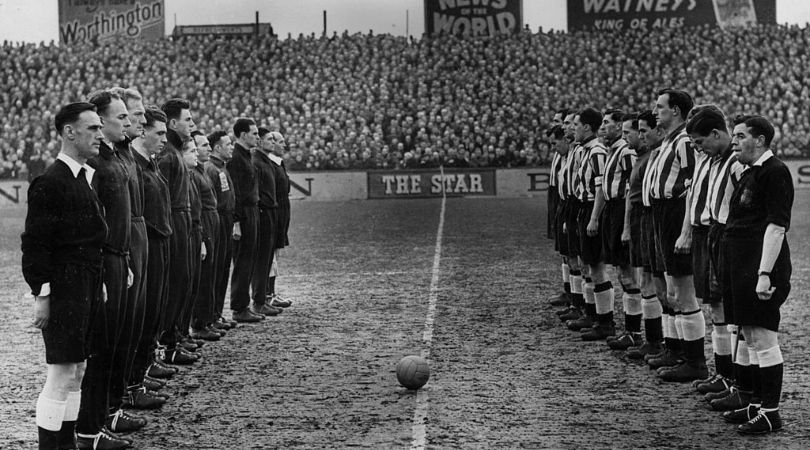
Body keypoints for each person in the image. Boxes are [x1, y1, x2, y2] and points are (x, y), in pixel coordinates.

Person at [22, 102, 108, 449]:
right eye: (92, 129)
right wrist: (42, 295)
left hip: (86, 283)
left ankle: (67, 443)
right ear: (69, 132)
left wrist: (97, 282)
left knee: (79, 370)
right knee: (61, 373)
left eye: (101, 128)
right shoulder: (50, 181)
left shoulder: (87, 177)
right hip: (63, 287)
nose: (100, 135)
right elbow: (35, 245)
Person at [721, 115, 793, 435]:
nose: (733, 141)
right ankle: (754, 404)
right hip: (742, 264)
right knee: (749, 335)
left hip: (761, 266)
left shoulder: (775, 172)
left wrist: (764, 274)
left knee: (763, 336)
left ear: (760, 140)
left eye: (740, 136)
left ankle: (770, 413)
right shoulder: (750, 172)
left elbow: (776, 227)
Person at [78, 90, 135, 449]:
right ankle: (88, 429)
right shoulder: (96, 164)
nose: (127, 123)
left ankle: (104, 416)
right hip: (103, 261)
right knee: (99, 348)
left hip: (119, 257)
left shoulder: (114, 157)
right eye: (120, 117)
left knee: (114, 343)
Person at [647, 88, 708, 382]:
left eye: (660, 107)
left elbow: (691, 187)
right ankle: (680, 353)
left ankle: (695, 362)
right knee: (673, 291)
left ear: (676, 112)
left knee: (684, 292)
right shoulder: (669, 140)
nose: (655, 111)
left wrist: (685, 230)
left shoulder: (684, 141)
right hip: (661, 215)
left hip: (675, 215)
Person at [129, 106, 175, 404]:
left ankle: (142, 370)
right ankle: (133, 384)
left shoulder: (149, 163)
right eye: (159, 133)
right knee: (141, 315)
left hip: (157, 240)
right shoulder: (135, 163)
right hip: (146, 242)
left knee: (153, 309)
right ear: (143, 131)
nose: (163, 139)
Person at [157, 98, 199, 364]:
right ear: (173, 123)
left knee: (182, 281)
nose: (192, 124)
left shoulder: (174, 150)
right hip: (174, 222)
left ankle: (174, 340)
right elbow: (164, 198)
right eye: (188, 119)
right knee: (174, 285)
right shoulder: (168, 154)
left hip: (181, 220)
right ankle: (167, 346)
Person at [624, 111, 667, 360]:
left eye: (642, 130)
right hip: (642, 219)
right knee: (646, 281)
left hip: (650, 217)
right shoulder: (643, 157)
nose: (640, 135)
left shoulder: (655, 155)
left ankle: (657, 341)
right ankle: (654, 340)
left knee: (655, 283)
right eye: (638, 131)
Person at [569, 108, 614, 341]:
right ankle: (595, 316)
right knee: (588, 265)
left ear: (587, 127)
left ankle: (605, 322)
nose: (573, 129)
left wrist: (594, 217)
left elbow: (600, 188)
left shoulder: (597, 152)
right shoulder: (586, 150)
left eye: (576, 125)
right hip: (583, 208)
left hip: (591, 209)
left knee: (596, 267)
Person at [599, 109, 640, 349]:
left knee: (627, 271)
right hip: (612, 210)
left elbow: (632, 187)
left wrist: (626, 224)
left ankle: (635, 331)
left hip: (622, 210)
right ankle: (630, 330)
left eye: (607, 123)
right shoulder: (614, 150)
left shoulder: (626, 152)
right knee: (621, 270)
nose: (603, 127)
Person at [228, 118, 265, 322]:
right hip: (243, 215)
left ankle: (244, 305)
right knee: (243, 261)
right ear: (243, 135)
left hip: (251, 212)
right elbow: (237, 194)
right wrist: (237, 222)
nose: (257, 137)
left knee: (249, 260)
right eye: (254, 133)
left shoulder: (245, 156)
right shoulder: (236, 158)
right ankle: (239, 307)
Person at [189, 130, 225, 339]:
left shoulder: (201, 170)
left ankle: (209, 318)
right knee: (204, 276)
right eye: (202, 146)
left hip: (212, 221)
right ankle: (201, 323)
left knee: (212, 273)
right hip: (203, 222)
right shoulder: (195, 172)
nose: (208, 149)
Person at [205, 131, 237, 330]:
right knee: (215, 270)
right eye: (228, 144)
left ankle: (216, 313)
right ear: (217, 147)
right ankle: (210, 316)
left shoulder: (222, 168)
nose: (231, 147)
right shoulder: (211, 169)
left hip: (226, 220)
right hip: (217, 219)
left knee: (223, 268)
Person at [547, 109, 572, 308]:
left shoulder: (569, 148)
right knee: (563, 248)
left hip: (565, 198)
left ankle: (572, 293)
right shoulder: (560, 148)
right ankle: (568, 290)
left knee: (569, 249)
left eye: (559, 121)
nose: (556, 124)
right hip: (557, 195)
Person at [265, 131, 293, 309]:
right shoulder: (270, 165)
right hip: (274, 213)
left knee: (275, 254)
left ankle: (271, 293)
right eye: (281, 142)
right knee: (270, 256)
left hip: (281, 213)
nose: (284, 145)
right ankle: (268, 295)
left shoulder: (278, 164)